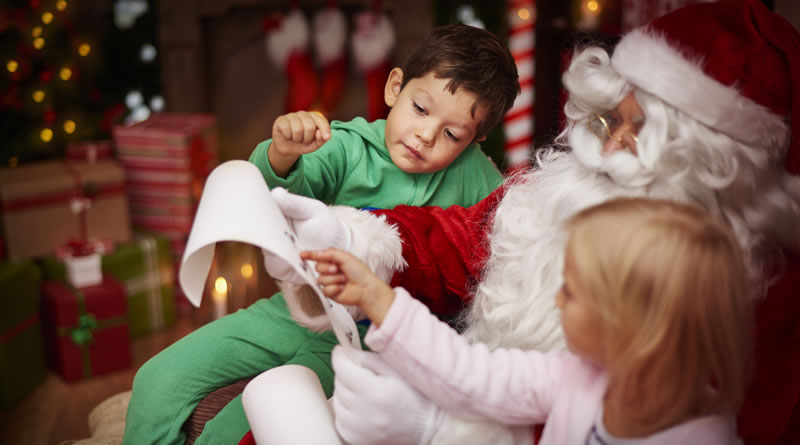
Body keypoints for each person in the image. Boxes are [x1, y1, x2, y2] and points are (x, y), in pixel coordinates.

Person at [261, 0, 800, 443]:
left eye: (643, 131)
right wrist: (351, 235)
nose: (610, 144)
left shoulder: (726, 327)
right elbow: (463, 249)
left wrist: (436, 429)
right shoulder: (565, 192)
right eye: (612, 116)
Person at [123, 24, 520, 445]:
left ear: (475, 140)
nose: (425, 135)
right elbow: (273, 194)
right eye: (420, 110)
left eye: (452, 134)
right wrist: (284, 152)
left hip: (370, 344)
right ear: (395, 88)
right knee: (156, 381)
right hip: (298, 311)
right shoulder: (347, 147)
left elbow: (507, 246)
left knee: (247, 421)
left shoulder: (480, 181)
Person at [302, 197, 750, 444]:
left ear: (629, 322)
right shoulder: (575, 377)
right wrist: (378, 298)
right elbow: (473, 375)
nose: (557, 299)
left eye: (571, 291)